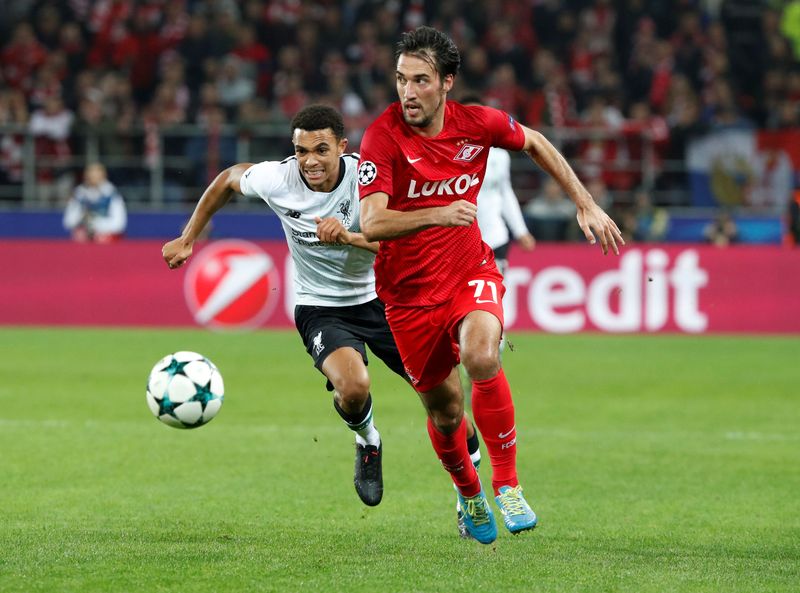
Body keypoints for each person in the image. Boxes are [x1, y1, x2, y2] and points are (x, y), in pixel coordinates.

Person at [358, 26, 624, 544]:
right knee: (445, 409)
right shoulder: (383, 135)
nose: (407, 92)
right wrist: (438, 211)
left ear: (447, 83)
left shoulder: (477, 124)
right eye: (400, 80)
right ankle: (471, 492)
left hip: (469, 271)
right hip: (407, 296)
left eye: (420, 80)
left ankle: (507, 484)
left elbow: (537, 142)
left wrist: (584, 202)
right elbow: (372, 224)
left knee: (482, 356)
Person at [161, 104, 483, 509]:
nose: (310, 161)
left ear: (341, 147)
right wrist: (189, 236)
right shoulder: (278, 179)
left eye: (320, 150)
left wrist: (349, 237)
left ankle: (466, 494)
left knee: (448, 407)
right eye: (301, 151)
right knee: (353, 388)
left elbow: (407, 244)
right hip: (321, 306)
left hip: (389, 300)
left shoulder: (373, 178)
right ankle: (368, 439)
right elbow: (228, 179)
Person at [460, 95, 536, 271]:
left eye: (478, 115)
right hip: (460, 243)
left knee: (495, 296)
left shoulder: (499, 156)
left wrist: (520, 230)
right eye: (467, 115)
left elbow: (505, 193)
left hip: (495, 237)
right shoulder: (445, 156)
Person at [63, 163, 127, 242]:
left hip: (107, 241)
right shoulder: (79, 194)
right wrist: (82, 220)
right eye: (90, 175)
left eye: (96, 175)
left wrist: (95, 223)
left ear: (103, 176)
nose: (93, 178)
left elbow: (119, 224)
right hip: (83, 241)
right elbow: (68, 221)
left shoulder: (112, 194)